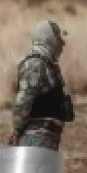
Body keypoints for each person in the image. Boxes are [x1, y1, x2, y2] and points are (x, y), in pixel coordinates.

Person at [9, 20, 73, 151]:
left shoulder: (47, 63)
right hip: (35, 137)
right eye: (58, 38)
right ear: (48, 39)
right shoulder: (35, 64)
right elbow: (24, 101)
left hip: (46, 135)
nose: (62, 43)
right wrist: (16, 130)